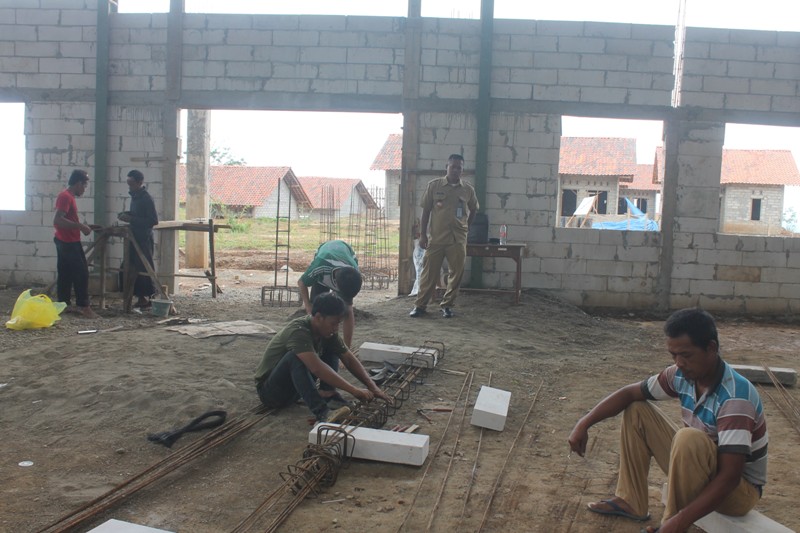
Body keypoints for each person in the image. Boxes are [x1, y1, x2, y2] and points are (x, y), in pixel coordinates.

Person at [568, 308, 768, 533]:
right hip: (703, 467)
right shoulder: (682, 375)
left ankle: (670, 523)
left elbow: (730, 477)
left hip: (739, 492)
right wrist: (584, 423)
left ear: (711, 348)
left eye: (686, 355)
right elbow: (628, 393)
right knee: (637, 409)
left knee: (688, 438)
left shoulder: (735, 396)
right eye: (674, 355)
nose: (679, 362)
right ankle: (631, 501)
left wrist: (679, 521)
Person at [254, 292, 391, 422]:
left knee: (332, 347)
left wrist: (372, 387)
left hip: (295, 392)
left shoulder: (327, 331)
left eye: (338, 323)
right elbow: (317, 368)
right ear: (318, 317)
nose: (336, 328)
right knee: (294, 357)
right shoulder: (298, 331)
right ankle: (323, 412)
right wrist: (353, 390)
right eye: (333, 323)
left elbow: (348, 358)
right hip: (271, 393)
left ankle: (329, 394)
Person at [409, 154, 478, 319]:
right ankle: (420, 306)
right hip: (437, 239)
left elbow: (474, 209)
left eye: (459, 167)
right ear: (446, 167)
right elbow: (425, 211)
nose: (455, 170)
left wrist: (466, 227)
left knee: (456, 273)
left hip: (457, 239)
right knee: (428, 273)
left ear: (462, 169)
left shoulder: (467, 189)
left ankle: (447, 306)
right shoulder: (434, 186)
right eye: (452, 166)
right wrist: (423, 235)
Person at [298, 240, 362, 348]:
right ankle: (316, 342)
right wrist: (308, 306)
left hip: (346, 252)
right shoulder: (320, 266)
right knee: (316, 307)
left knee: (345, 309)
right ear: (336, 286)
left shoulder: (353, 273)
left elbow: (348, 311)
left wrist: (347, 349)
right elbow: (301, 282)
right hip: (325, 258)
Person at [53, 169, 98, 319]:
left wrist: (85, 226)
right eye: (84, 186)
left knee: (65, 273)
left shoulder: (68, 196)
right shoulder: (65, 197)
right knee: (82, 273)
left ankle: (63, 304)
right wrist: (80, 227)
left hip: (65, 240)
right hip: (68, 241)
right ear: (78, 183)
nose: (84, 189)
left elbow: (67, 219)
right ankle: (84, 306)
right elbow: (58, 220)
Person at [118, 170, 159, 308]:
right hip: (133, 237)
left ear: (139, 183)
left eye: (131, 183)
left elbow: (153, 220)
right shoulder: (135, 197)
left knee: (145, 268)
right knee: (128, 266)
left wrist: (131, 218)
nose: (129, 186)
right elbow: (137, 214)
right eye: (128, 184)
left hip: (143, 239)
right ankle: (139, 297)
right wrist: (126, 214)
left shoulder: (146, 198)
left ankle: (152, 297)